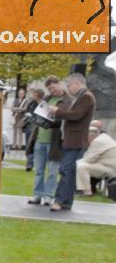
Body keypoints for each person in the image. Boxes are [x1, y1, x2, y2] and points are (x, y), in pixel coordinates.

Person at [47, 72, 96, 212]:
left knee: (65, 170)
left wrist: (57, 111)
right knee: (69, 172)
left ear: (77, 83)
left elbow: (76, 115)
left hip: (76, 140)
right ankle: (66, 202)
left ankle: (59, 201)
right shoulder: (79, 97)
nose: (68, 88)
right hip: (71, 139)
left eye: (69, 85)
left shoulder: (86, 97)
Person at [27, 76, 64, 206]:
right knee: (39, 170)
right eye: (49, 88)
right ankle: (37, 195)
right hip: (40, 139)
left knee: (52, 171)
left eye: (53, 87)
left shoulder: (66, 100)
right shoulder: (46, 99)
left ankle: (48, 196)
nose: (51, 90)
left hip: (54, 141)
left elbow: (65, 120)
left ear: (59, 84)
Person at [76, 120, 116, 196]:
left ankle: (86, 191)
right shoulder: (104, 137)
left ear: (91, 135)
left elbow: (89, 159)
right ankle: (85, 189)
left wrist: (80, 161)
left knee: (81, 166)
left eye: (87, 137)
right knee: (81, 163)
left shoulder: (97, 141)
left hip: (110, 170)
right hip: (108, 166)